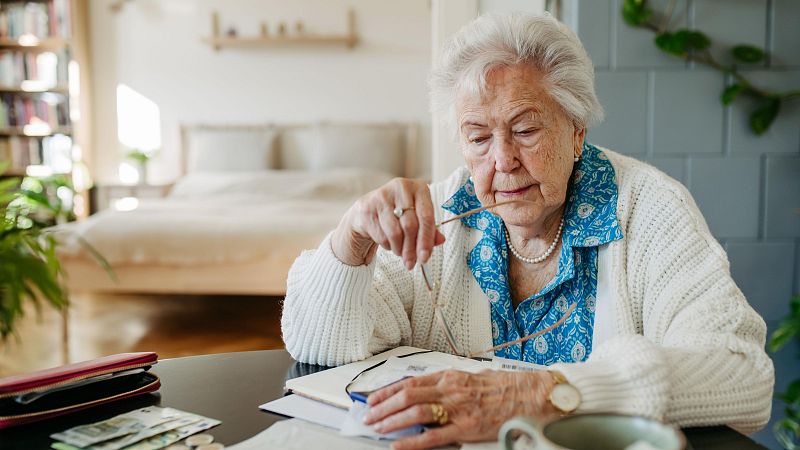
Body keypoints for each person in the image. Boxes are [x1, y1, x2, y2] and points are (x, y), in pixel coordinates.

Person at [281, 12, 774, 450]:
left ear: (576, 130)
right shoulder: (441, 217)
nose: (502, 161)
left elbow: (742, 375)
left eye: (525, 130)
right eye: (478, 137)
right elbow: (321, 348)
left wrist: (550, 393)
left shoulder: (648, 209)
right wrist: (350, 243)